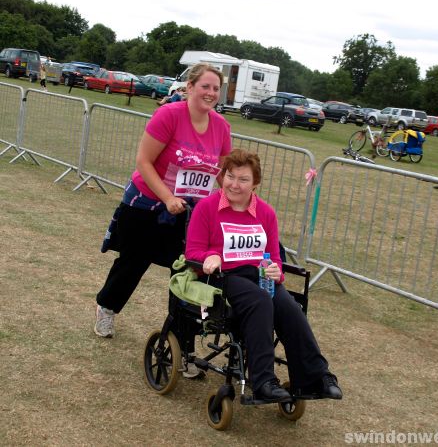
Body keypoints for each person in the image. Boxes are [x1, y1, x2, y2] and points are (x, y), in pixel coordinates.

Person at [185, 148, 343, 402]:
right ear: (222, 176)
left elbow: (274, 256)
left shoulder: (266, 213)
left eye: (243, 179)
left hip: (259, 277)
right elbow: (193, 252)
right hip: (224, 278)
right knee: (259, 300)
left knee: (289, 307)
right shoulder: (207, 208)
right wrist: (208, 258)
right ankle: (263, 381)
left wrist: (276, 270)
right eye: (230, 176)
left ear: (255, 183)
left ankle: (315, 376)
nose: (234, 184)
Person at [94, 63, 231, 348]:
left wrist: (233, 200)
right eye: (205, 86)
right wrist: (167, 198)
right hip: (147, 205)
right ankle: (107, 308)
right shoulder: (169, 114)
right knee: (132, 263)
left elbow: (223, 172)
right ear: (190, 87)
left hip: (192, 213)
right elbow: (144, 161)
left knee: (188, 273)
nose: (211, 92)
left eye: (216, 88)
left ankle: (183, 342)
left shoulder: (222, 127)